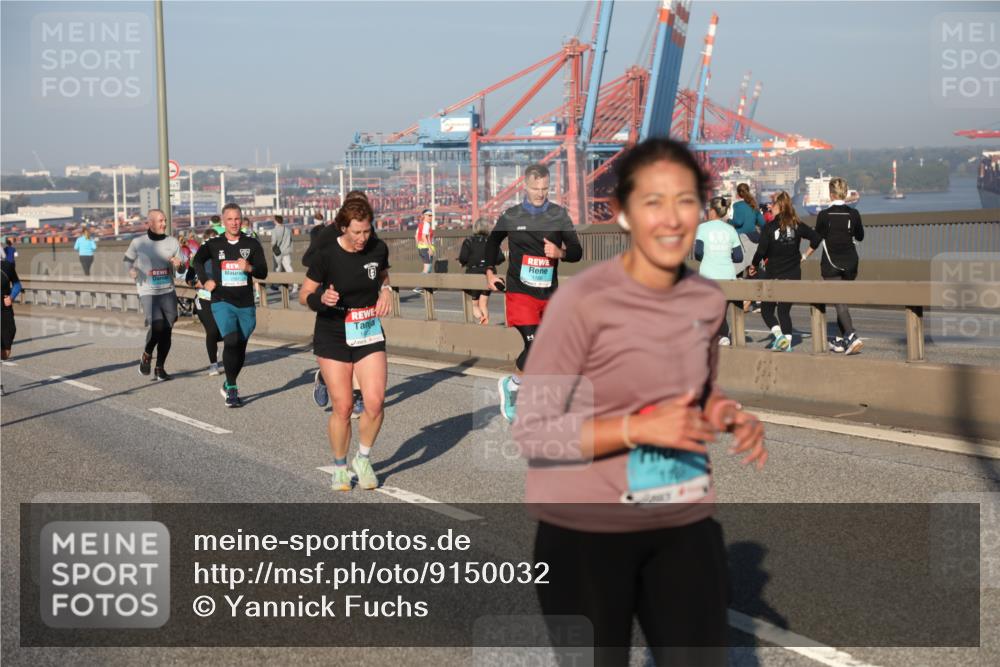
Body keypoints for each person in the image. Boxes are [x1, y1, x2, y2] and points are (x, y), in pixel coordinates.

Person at [513, 137, 767, 666]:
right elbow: (534, 433)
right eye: (654, 202)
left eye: (686, 200)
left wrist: (726, 414)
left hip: (681, 516)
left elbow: (697, 390)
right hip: (586, 530)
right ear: (623, 213)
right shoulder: (581, 303)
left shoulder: (705, 299)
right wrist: (637, 430)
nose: (672, 218)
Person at [298, 198, 392, 492]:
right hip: (333, 332)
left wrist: (386, 290)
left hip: (368, 329)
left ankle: (362, 459)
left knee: (374, 402)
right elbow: (304, 294)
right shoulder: (326, 254)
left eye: (367, 231)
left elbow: (383, 274)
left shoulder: (378, 248)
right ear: (343, 228)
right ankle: (340, 467)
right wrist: (321, 299)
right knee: (344, 406)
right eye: (356, 232)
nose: (363, 238)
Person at [485, 163, 583, 422]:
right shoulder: (512, 216)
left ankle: (513, 385)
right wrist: (490, 272)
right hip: (520, 293)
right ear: (525, 187)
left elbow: (577, 251)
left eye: (545, 188)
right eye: (536, 188)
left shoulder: (559, 215)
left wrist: (560, 253)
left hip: (549, 294)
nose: (541, 193)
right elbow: (492, 242)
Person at [304, 190, 375, 416]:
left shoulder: (369, 235)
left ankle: (358, 395)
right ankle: (325, 378)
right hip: (333, 305)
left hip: (361, 309)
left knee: (359, 354)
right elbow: (308, 259)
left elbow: (379, 265)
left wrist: (384, 289)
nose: (362, 235)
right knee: (342, 358)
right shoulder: (328, 234)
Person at [192, 203, 268, 406]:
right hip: (222, 301)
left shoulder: (251, 244)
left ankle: (228, 383)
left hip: (246, 304)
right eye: (230, 219)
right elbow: (197, 261)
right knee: (231, 340)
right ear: (223, 221)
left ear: (241, 220)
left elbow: (263, 272)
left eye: (237, 219)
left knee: (240, 349)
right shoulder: (214, 243)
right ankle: (233, 389)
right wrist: (205, 280)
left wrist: (249, 267)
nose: (234, 223)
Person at [749, 191, 820, 351]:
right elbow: (816, 238)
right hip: (793, 274)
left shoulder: (769, 227)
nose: (770, 207)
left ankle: (780, 337)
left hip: (774, 275)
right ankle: (787, 343)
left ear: (779, 206)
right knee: (784, 311)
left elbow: (761, 251)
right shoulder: (797, 224)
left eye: (773, 204)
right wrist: (804, 256)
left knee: (767, 310)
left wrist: (753, 265)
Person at [123, 209, 184, 381]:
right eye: (160, 221)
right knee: (157, 326)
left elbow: (182, 269)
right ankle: (147, 353)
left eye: (165, 220)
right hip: (148, 291)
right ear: (150, 223)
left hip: (167, 290)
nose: (164, 224)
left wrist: (179, 265)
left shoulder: (172, 242)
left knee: (167, 330)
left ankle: (160, 368)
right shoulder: (138, 243)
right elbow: (127, 260)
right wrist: (131, 270)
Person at [816, 177, 865, 355]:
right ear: (845, 193)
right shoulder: (854, 214)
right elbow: (860, 236)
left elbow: (817, 237)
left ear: (831, 194)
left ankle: (851, 335)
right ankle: (840, 340)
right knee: (841, 301)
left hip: (831, 263)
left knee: (839, 301)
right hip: (851, 262)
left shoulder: (824, 215)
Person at [695, 196, 743, 345]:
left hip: (708, 276)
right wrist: (724, 255)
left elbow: (698, 253)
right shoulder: (730, 229)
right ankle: (722, 336)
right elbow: (739, 257)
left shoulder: (702, 228)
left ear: (712, 211)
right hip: (728, 276)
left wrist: (710, 256)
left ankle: (717, 337)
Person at [185, 228, 223, 375]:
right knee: (212, 331)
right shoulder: (197, 258)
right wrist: (197, 283)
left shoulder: (224, 256)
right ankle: (213, 364)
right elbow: (189, 278)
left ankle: (213, 344)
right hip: (203, 298)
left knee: (225, 332)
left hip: (221, 298)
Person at [458, 218, 504, 325]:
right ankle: (485, 325)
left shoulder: (469, 241)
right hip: (489, 275)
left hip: (473, 274)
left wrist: (464, 262)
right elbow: (500, 258)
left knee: (473, 304)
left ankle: (481, 318)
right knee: (483, 303)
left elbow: (463, 258)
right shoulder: (492, 241)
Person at [1, 257, 22, 396]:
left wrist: (12, 296)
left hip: (4, 308)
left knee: (5, 352)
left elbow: (17, 284)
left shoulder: (7, 266)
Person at [270, 214, 295, 292]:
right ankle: (295, 284)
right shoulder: (288, 230)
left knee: (277, 268)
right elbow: (291, 241)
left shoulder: (274, 230)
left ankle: (276, 285)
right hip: (286, 252)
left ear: (276, 221)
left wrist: (272, 247)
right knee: (288, 268)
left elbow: (273, 242)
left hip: (278, 253)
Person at [412, 209, 435, 293]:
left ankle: (428, 288)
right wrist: (429, 248)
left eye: (431, 215)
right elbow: (424, 236)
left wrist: (419, 246)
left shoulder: (421, 225)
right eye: (429, 215)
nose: (430, 217)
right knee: (427, 268)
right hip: (426, 249)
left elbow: (416, 236)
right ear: (424, 216)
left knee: (428, 268)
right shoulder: (427, 225)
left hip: (422, 248)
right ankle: (419, 287)